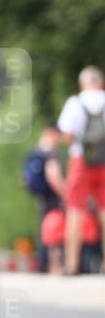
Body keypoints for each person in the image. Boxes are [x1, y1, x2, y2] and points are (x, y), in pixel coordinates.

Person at [57, 66, 105, 274]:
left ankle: (71, 264)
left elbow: (67, 135)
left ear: (81, 84)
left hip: (80, 162)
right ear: (101, 83)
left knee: (75, 211)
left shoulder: (75, 103)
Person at [22, 125, 64, 273]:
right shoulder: (50, 154)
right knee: (55, 231)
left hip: (40, 197)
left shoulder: (34, 152)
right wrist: (64, 193)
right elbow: (54, 177)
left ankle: (42, 262)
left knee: (43, 229)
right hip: (52, 197)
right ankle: (51, 265)